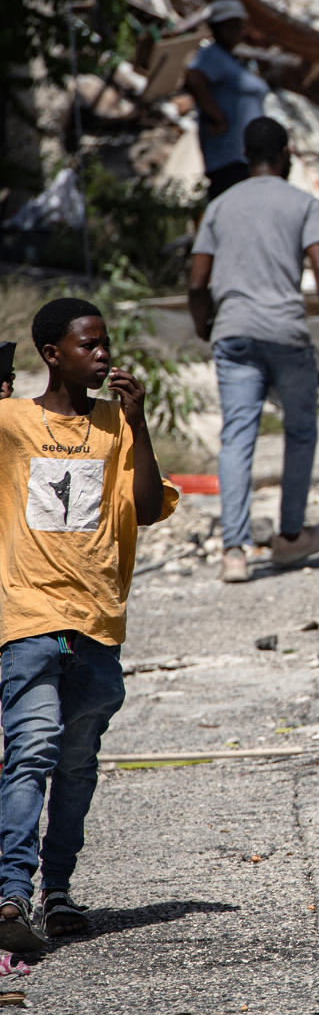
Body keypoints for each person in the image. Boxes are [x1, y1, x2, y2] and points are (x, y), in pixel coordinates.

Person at [0, 299, 177, 953]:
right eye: (89, 345)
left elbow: (148, 506)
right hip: (28, 618)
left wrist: (138, 422)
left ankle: (59, 890)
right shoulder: (12, 423)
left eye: (106, 344)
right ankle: (11, 893)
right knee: (32, 750)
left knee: (76, 764)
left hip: (98, 623)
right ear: (52, 355)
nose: (103, 355)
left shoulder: (116, 424)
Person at [188, 116, 319, 584]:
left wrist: (205, 325)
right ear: (286, 154)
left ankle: (234, 551)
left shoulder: (220, 206)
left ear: (245, 155)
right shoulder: (302, 203)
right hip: (285, 333)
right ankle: (291, 535)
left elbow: (197, 280)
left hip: (234, 333)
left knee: (237, 439)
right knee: (300, 432)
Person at [182, 0, 269, 202]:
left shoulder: (232, 60)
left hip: (246, 158)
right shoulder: (211, 55)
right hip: (229, 159)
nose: (235, 31)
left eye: (238, 25)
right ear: (216, 28)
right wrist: (217, 117)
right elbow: (194, 79)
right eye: (229, 26)